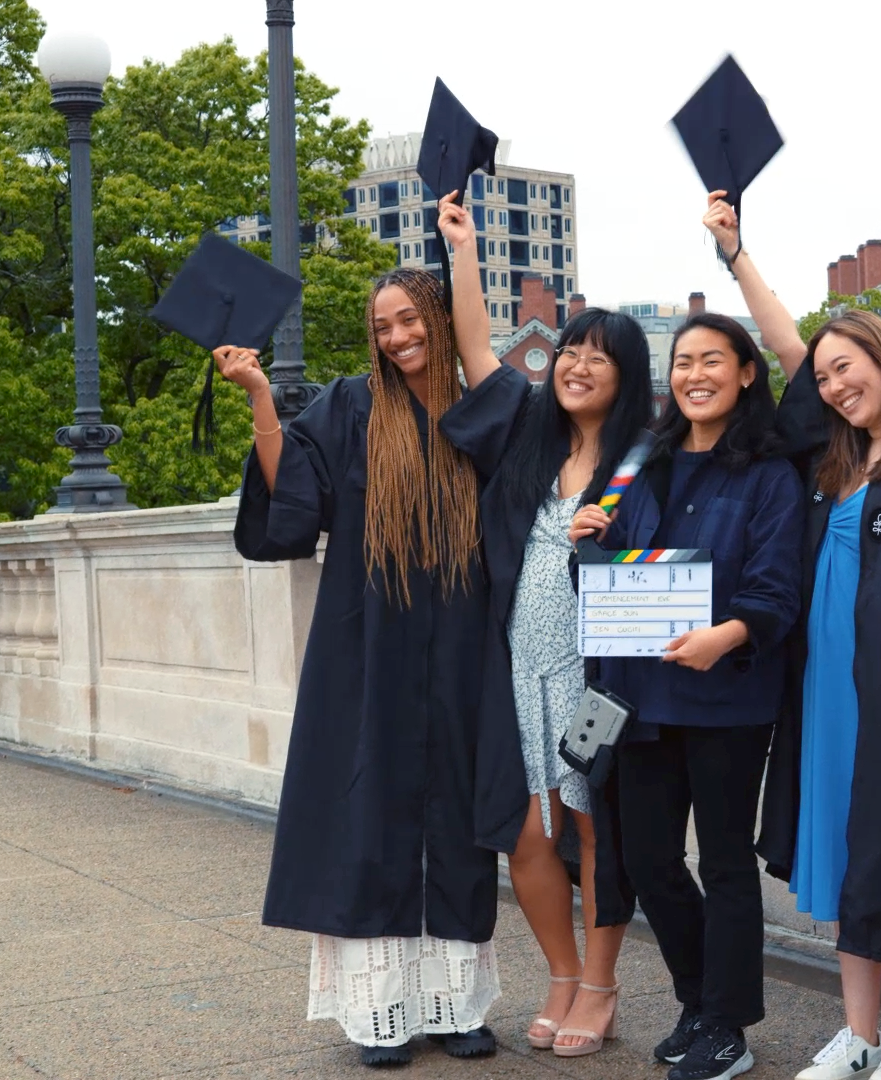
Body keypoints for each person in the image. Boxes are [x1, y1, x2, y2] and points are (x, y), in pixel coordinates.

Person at [221, 192, 529, 1068]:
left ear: (436, 316)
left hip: (465, 644)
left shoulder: (479, 408)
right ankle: (381, 1014)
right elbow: (293, 508)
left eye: (408, 319)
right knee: (371, 816)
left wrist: (461, 253)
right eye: (382, 326)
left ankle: (458, 1006)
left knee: (460, 820)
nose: (396, 337)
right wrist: (257, 399)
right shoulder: (352, 406)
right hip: (369, 646)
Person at [702, 193, 881, 1080]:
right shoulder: (828, 465)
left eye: (852, 369)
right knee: (841, 852)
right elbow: (786, 348)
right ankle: (860, 1035)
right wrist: (737, 257)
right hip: (823, 690)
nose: (837, 385)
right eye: (828, 375)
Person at [568, 312, 804, 1080]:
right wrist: (587, 538)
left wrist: (727, 633)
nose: (693, 375)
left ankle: (727, 1028)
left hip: (726, 697)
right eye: (682, 362)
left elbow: (776, 588)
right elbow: (599, 579)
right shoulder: (639, 460)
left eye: (711, 361)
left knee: (726, 862)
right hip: (638, 696)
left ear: (745, 373)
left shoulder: (770, 472)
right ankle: (701, 1001)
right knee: (649, 859)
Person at [442, 307, 654, 1058]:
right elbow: (474, 350)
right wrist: (461, 248)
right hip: (513, 669)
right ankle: (561, 976)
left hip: (593, 679)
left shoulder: (643, 462)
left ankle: (599, 985)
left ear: (627, 375)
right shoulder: (528, 446)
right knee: (527, 833)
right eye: (569, 351)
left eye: (600, 356)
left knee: (596, 827)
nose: (578, 365)